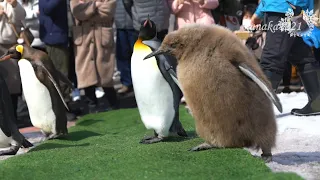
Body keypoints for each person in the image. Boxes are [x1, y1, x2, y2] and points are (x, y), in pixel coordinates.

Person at [251, 0, 319, 116]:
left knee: (272, 59)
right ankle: (317, 103)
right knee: (301, 56)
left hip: (282, 9)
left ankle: (258, 112)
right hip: (293, 9)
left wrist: (260, 12)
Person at [70, 0, 119, 113]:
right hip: (84, 37)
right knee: (86, 72)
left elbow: (108, 11)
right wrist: (95, 5)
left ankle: (114, 103)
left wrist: (86, 11)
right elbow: (77, 12)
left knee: (105, 72)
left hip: (102, 36)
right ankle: (92, 105)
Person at [39, 0, 77, 120]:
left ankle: (66, 105)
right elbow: (47, 9)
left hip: (60, 37)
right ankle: (61, 109)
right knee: (59, 75)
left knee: (64, 73)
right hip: (55, 39)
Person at [0, 0, 26, 121]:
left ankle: (13, 117)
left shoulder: (10, 2)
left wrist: (14, 5)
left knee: (13, 83)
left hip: (10, 46)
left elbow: (21, 17)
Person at [114, 0, 135, 94]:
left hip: (135, 22)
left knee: (136, 56)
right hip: (120, 22)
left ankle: (138, 82)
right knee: (122, 54)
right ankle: (126, 82)